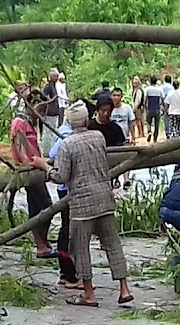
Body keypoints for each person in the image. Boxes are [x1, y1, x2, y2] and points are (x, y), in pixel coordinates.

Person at [31, 101, 134, 308]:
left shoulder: (68, 145)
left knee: (81, 248)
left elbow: (61, 176)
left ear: (69, 122)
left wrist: (44, 166)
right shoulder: (98, 137)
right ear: (87, 120)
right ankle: (124, 289)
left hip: (81, 204)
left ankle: (89, 294)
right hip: (104, 198)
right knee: (113, 245)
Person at [10, 98, 58, 260]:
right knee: (45, 206)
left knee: (36, 206)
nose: (42, 114)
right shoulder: (19, 122)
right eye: (41, 110)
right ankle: (40, 243)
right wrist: (28, 164)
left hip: (37, 167)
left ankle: (42, 244)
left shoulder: (31, 122)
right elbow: (20, 147)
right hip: (30, 171)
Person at [49, 121, 81, 288]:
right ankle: (69, 273)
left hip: (66, 188)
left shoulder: (65, 134)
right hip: (69, 188)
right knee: (71, 231)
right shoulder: (68, 137)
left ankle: (67, 272)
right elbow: (53, 154)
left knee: (67, 228)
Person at [41, 68, 61, 156]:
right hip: (50, 113)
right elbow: (43, 96)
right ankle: (46, 151)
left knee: (52, 132)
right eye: (55, 76)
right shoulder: (48, 87)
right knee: (48, 132)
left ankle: (50, 150)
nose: (57, 78)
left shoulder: (54, 86)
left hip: (54, 112)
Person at [145, 76, 164, 143]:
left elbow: (145, 98)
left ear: (150, 81)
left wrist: (145, 107)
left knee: (148, 122)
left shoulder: (147, 89)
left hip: (150, 108)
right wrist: (164, 107)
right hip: (157, 109)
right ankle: (155, 138)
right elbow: (162, 98)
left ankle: (149, 131)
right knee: (157, 124)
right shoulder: (159, 89)